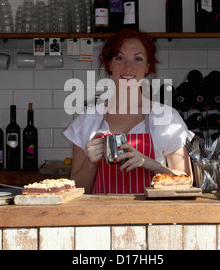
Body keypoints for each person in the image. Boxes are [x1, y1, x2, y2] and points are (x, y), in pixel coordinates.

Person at [63, 29, 193, 194]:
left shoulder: (167, 118)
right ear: (109, 64)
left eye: (137, 59)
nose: (128, 67)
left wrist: (150, 163)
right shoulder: (86, 121)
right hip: (100, 219)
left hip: (152, 218)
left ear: (147, 66)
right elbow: (76, 192)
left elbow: (186, 182)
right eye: (120, 58)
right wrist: (90, 163)